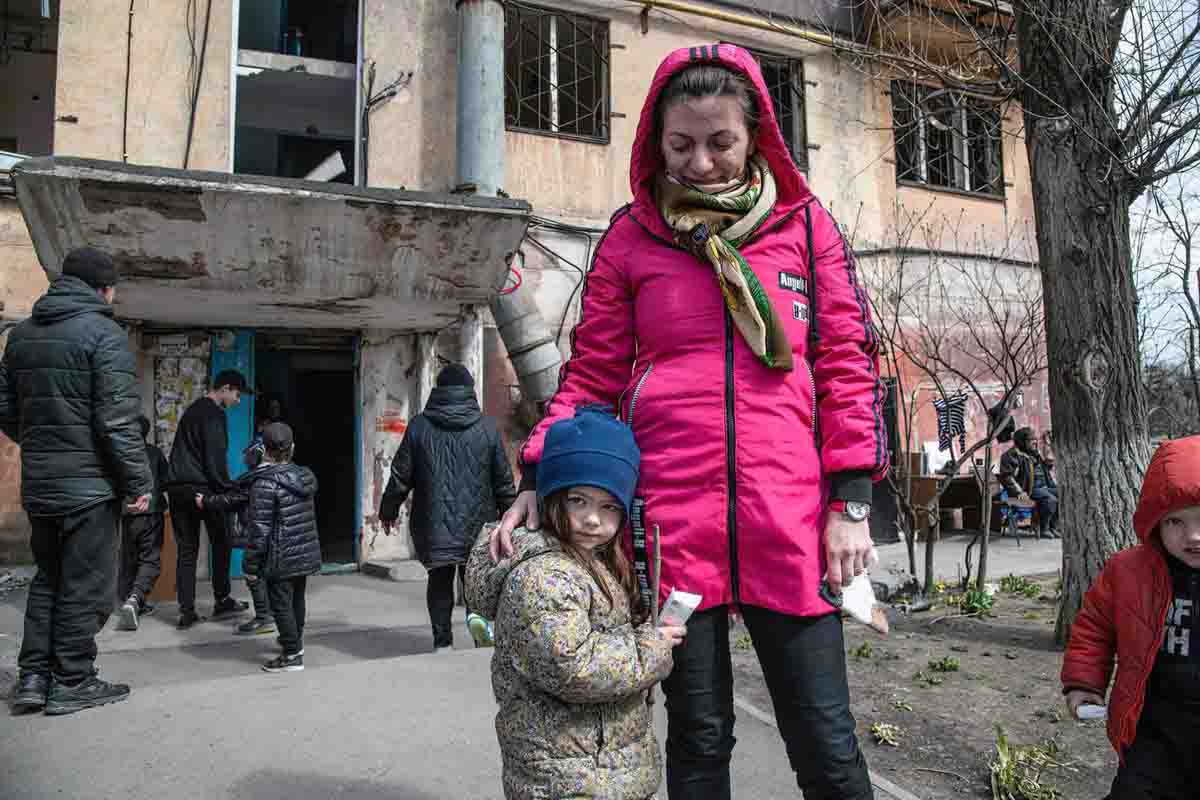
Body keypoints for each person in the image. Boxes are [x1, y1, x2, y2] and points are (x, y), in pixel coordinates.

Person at [492, 45, 887, 799]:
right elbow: (593, 376)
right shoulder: (630, 240)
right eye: (681, 146)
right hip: (673, 528)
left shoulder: (807, 231)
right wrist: (539, 475)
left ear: (756, 138)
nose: (700, 163)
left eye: (720, 143)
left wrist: (852, 503)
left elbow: (845, 368)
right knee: (700, 739)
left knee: (826, 744)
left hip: (791, 521)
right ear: (655, 141)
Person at [466, 406, 686, 799]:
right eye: (578, 501)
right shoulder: (545, 576)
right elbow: (574, 667)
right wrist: (650, 647)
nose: (592, 520)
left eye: (609, 506)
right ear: (551, 499)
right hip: (567, 777)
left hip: (596, 768)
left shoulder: (592, 560)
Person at [0, 247, 152, 715]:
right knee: (85, 587)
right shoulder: (104, 334)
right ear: (103, 289)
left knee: (49, 579)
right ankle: (72, 679)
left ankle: (33, 679)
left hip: (42, 483)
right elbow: (118, 421)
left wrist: (43, 443)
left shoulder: (20, 335)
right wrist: (138, 482)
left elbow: (5, 409)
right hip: (89, 488)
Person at [1061, 435, 1200, 800]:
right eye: (1175, 522)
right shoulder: (1128, 571)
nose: (1193, 535)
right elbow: (1094, 629)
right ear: (1154, 521)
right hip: (1151, 727)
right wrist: (1084, 684)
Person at [379, 363, 517, 652]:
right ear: (470, 391)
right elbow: (503, 482)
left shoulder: (419, 426)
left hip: (433, 521)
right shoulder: (487, 427)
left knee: (439, 579)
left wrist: (388, 511)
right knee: (475, 579)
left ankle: (443, 642)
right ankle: (479, 629)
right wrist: (511, 519)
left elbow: (400, 476)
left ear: (438, 390)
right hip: (478, 524)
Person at [207, 422, 320, 673]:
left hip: (278, 556)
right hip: (303, 552)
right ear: (292, 448)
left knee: (280, 605)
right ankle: (294, 641)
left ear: (264, 451)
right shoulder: (304, 477)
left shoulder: (263, 483)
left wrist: (250, 565)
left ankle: (292, 654)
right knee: (296, 601)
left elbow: (260, 530)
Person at [167, 369, 253, 628]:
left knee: (187, 550)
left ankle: (186, 611)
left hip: (177, 489)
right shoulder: (214, 414)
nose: (238, 401)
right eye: (237, 394)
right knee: (222, 541)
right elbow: (214, 458)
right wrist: (230, 489)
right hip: (204, 488)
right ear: (225, 388)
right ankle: (222, 598)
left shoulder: (192, 410)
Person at [116, 415, 171, 631]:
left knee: (129, 557)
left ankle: (129, 599)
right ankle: (136, 599)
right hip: (151, 513)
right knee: (150, 559)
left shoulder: (121, 453)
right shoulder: (154, 453)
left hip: (128, 514)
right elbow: (167, 481)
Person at [999, 427, 1058, 539]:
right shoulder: (1011, 455)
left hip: (1043, 487)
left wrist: (1048, 463)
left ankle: (1053, 527)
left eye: (1035, 439)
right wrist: (1019, 492)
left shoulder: (1033, 453)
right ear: (1022, 441)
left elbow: (1042, 470)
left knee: (1063, 494)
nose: (1035, 442)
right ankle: (1044, 528)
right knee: (1050, 500)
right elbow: (1007, 477)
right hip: (1028, 489)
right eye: (1032, 439)